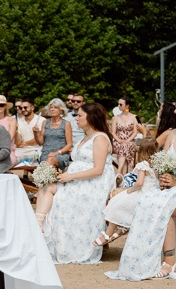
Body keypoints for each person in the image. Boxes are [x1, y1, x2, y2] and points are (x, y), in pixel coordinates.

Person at [106, 95, 176, 281]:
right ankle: (145, 258)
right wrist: (162, 178)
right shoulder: (172, 135)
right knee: (147, 200)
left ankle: (170, 260)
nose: (175, 111)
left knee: (161, 205)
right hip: (173, 187)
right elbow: (161, 164)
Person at [40, 103, 116, 264]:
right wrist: (64, 174)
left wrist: (71, 177)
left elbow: (98, 170)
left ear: (91, 118)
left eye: (80, 115)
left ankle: (40, 228)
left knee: (55, 195)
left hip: (92, 185)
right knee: (47, 185)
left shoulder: (100, 138)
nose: (76, 119)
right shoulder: (85, 137)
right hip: (78, 180)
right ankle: (39, 226)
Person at [93, 138, 159, 246]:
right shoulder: (156, 165)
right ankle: (120, 229)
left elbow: (139, 183)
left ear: (141, 150)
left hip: (143, 193)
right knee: (122, 204)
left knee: (116, 203)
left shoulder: (143, 165)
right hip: (154, 193)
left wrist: (130, 190)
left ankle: (108, 234)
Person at [34, 98, 73, 171]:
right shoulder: (45, 122)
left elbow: (69, 144)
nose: (52, 109)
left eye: (55, 107)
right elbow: (40, 142)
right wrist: (36, 133)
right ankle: (46, 180)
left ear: (61, 110)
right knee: (48, 161)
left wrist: (56, 153)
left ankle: (42, 179)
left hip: (61, 154)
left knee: (50, 160)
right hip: (46, 154)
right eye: (51, 107)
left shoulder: (66, 124)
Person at [111, 97, 140, 175]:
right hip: (118, 141)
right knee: (124, 146)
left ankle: (119, 172)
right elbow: (113, 132)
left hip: (130, 141)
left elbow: (135, 132)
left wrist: (127, 140)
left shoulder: (134, 117)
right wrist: (119, 140)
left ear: (127, 106)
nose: (118, 106)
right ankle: (122, 174)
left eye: (121, 104)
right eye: (118, 104)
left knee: (125, 146)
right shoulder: (116, 118)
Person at [0, 95, 18, 167]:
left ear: (5, 107)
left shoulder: (12, 120)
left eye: (1, 105)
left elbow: (10, 138)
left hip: (7, 152)